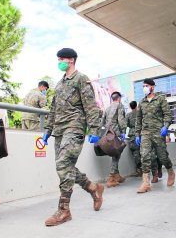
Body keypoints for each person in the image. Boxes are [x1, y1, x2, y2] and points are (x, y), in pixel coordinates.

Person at [43, 48, 104, 227]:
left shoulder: (81, 79)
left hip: (75, 126)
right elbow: (53, 109)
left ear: (71, 60)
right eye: (58, 59)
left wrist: (93, 129)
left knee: (63, 165)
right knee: (65, 167)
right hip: (59, 130)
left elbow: (91, 106)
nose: (59, 61)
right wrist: (48, 130)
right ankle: (94, 188)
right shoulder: (60, 84)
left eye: (62, 59)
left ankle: (64, 210)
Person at [135, 78, 175, 193]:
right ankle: (146, 183)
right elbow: (138, 119)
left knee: (162, 157)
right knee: (144, 156)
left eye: (146, 85)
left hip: (158, 132)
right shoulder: (141, 102)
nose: (144, 88)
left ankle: (171, 172)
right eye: (143, 86)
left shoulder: (160, 99)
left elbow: (168, 114)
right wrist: (137, 134)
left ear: (152, 87)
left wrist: (165, 126)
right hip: (145, 133)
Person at [101, 91, 127, 187]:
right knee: (116, 154)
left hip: (108, 134)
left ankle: (117, 176)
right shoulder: (119, 106)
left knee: (115, 154)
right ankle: (111, 178)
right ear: (119, 98)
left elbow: (102, 122)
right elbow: (121, 120)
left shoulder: (107, 109)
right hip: (116, 133)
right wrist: (123, 131)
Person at [126, 101, 142, 176]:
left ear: (130, 106)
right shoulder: (141, 113)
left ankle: (139, 170)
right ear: (136, 105)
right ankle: (147, 169)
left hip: (133, 134)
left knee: (136, 153)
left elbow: (126, 124)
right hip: (142, 133)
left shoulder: (128, 115)